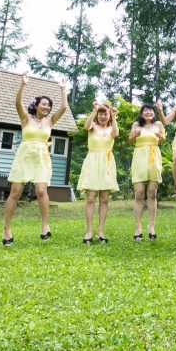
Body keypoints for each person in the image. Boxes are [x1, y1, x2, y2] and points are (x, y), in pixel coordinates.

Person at [1, 73, 68, 245]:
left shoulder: (50, 121)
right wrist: (22, 85)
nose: (47, 107)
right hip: (24, 156)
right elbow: (18, 103)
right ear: (36, 105)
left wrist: (63, 89)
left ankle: (45, 225)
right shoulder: (25, 119)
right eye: (44, 104)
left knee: (41, 191)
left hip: (41, 158)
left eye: (48, 105)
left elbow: (64, 107)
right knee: (15, 192)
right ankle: (6, 229)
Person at [77, 100, 119, 244]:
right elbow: (86, 126)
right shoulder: (93, 126)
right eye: (100, 114)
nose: (102, 116)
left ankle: (100, 230)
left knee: (104, 198)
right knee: (91, 197)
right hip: (93, 161)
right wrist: (94, 111)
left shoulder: (112, 127)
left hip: (107, 162)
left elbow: (116, 133)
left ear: (109, 115)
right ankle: (89, 231)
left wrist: (114, 117)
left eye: (105, 114)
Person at [128, 104, 165, 241]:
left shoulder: (158, 124)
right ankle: (138, 228)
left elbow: (163, 140)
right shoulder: (136, 125)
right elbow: (130, 141)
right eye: (145, 111)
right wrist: (133, 135)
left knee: (152, 193)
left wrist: (161, 136)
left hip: (154, 158)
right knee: (139, 193)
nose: (148, 112)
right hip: (139, 158)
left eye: (150, 111)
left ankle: (151, 226)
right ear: (141, 113)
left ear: (153, 113)